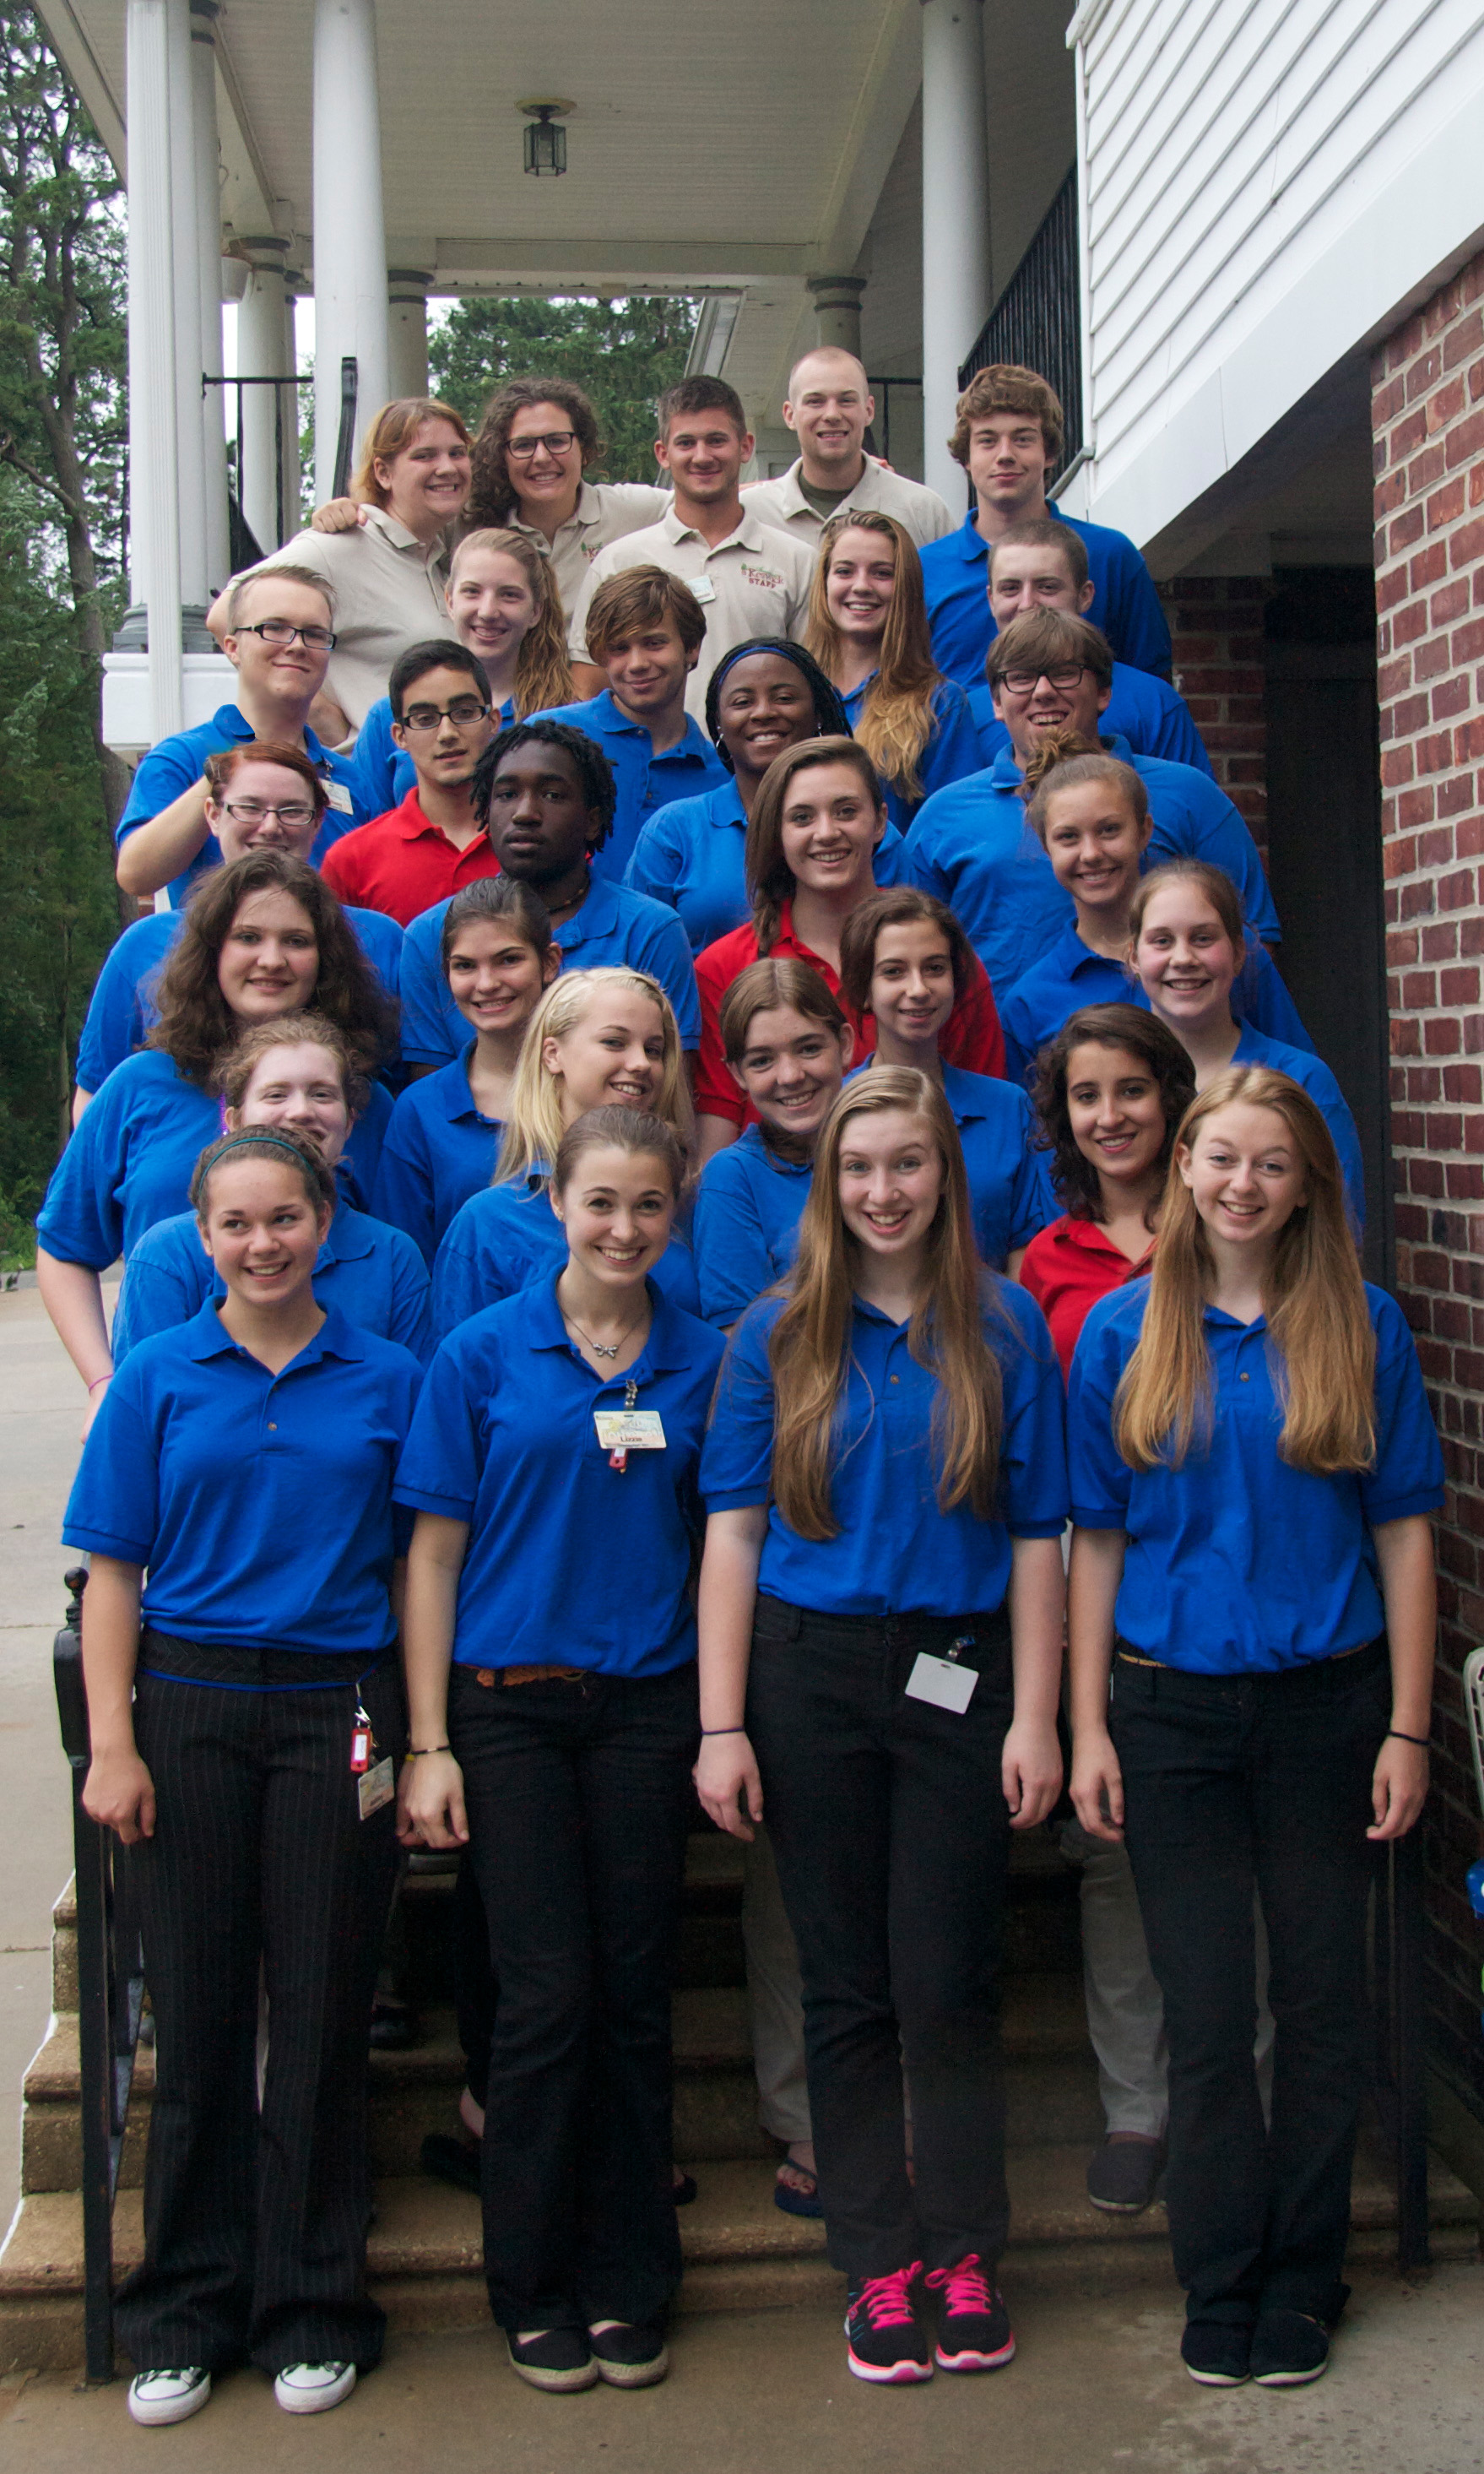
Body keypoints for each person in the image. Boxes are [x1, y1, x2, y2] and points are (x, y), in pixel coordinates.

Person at [1067, 1067, 1442, 2388]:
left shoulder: (1360, 1323)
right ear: (1182, 1164)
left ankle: (1302, 2275)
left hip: (1324, 1706)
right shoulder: (1119, 1331)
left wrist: (1407, 1727)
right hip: (1166, 1709)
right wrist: (1084, 1724)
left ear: (1302, 1186)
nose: (1242, 1183)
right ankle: (1218, 2274)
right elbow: (1094, 1540)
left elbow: (1402, 1532)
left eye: (1270, 1164)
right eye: (1221, 1157)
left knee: (1322, 2002)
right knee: (1208, 2008)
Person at [696, 1069, 1068, 2385]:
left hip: (958, 1674)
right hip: (809, 1677)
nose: (882, 1189)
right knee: (845, 1981)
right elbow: (733, 1533)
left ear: (943, 1176)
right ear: (826, 1183)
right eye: (857, 1167)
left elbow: (1038, 1535)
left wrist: (1037, 1716)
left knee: (946, 1976)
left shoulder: (1004, 1325)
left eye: (907, 1163)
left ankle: (963, 2250)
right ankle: (875, 2263)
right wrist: (720, 1723)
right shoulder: (775, 1332)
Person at [63, 1126, 423, 2427]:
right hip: (192, 1704)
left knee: (320, 2005)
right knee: (202, 2006)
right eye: (237, 1223)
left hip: (339, 1709)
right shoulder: (157, 1376)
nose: (262, 1243)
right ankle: (185, 2307)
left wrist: (422, 1739)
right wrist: (114, 1742)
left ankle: (311, 2300)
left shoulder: (389, 1376)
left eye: (285, 1218)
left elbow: (417, 1567)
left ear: (325, 1222)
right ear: (200, 1236)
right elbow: (113, 1571)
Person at [396, 1106, 724, 2393]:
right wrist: (428, 1739)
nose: (623, 1227)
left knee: (632, 1992)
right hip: (508, 1710)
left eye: (647, 1204)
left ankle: (630, 2275)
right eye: (600, 1202)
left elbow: (721, 1543)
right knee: (543, 1993)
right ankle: (530, 2281)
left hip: (643, 1708)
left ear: (675, 1210)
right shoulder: (479, 1352)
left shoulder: (702, 1359)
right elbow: (430, 1557)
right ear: (556, 1206)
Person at [1018, 1005, 1197, 2214]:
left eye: (1131, 1089)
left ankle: (1239, 2096)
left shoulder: (1229, 1217)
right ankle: (1137, 2105)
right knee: (1115, 1851)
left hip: (1217, 1572)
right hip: (1096, 1574)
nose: (1111, 1114)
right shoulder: (1046, 1262)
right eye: (1087, 1095)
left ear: (1170, 1098)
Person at [37, 850, 397, 1435]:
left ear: (324, 960)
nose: (271, 959)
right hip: (169, 1416)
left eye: (297, 941)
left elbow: (392, 1257)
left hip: (332, 1416)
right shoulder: (138, 1085)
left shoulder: (358, 1102)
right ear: (213, 952)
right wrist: (104, 1383)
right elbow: (63, 1247)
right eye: (247, 937)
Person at [904, 610, 1279, 996]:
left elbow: (1253, 938)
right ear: (996, 703)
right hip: (1007, 1031)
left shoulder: (1189, 794)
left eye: (1065, 673)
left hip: (1164, 1028)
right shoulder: (944, 815)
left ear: (1103, 693)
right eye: (1021, 678)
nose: (1043, 691)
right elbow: (908, 949)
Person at [692, 738, 1004, 1162]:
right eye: (802, 817)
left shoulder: (937, 955)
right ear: (777, 834)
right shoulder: (724, 966)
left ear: (880, 822)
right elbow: (717, 1138)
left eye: (846, 811)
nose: (827, 833)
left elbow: (987, 1118)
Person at [76, 743, 404, 1115]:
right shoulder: (144, 943)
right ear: (213, 815)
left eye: (293, 811)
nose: (271, 827)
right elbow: (95, 1095)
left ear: (317, 822)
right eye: (250, 807)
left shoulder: (378, 938)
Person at [112, 1014, 431, 1364]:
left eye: (322, 1094)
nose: (301, 1112)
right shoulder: (167, 1256)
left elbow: (412, 1392)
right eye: (276, 1094)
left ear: (350, 1121)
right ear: (234, 1121)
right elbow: (146, 1389)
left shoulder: (391, 1257)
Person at [999, 735, 1312, 1084]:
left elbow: (1299, 1081)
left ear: (1144, 831)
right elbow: (1034, 1118)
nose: (1091, 854)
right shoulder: (1031, 1001)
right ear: (1046, 846)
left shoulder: (1223, 953)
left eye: (1109, 830)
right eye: (1068, 837)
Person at [396, 721, 700, 1072]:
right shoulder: (430, 934)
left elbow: (672, 1081)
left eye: (552, 795)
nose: (525, 813)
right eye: (507, 794)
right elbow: (430, 1091)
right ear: (486, 812)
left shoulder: (650, 930)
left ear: (592, 820)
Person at [433, 968, 700, 1337]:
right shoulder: (490, 1223)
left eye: (653, 1050)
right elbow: (461, 1365)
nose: (641, 1063)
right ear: (553, 1054)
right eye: (614, 1042)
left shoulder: (688, 1205)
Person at [1128, 862, 1365, 1229]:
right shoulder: (1116, 1087)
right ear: (1134, 957)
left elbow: (1339, 1225)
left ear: (1239, 952)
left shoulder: (1303, 1079)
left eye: (1203, 938)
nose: (1183, 958)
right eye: (1162, 941)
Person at [220, 398, 474, 736]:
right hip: (368, 763)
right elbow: (224, 614)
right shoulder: (340, 546)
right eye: (425, 456)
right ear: (383, 473)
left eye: (457, 453)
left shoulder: (444, 559)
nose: (447, 467)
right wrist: (319, 713)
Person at [626, 637, 892, 953]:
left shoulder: (863, 829)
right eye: (742, 702)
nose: (763, 712)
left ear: (818, 712)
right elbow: (637, 952)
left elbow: (909, 935)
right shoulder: (673, 831)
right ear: (718, 723)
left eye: (784, 698)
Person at [115, 568, 362, 908]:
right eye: (275, 628)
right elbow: (136, 874)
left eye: (315, 634)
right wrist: (230, 770)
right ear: (232, 648)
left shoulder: (350, 778)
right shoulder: (182, 758)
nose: (297, 645)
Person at [566, 378, 813, 717]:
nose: (702, 456)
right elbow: (588, 688)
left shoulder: (798, 561)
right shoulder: (618, 562)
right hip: (649, 749)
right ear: (663, 454)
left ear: (745, 447)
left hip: (765, 747)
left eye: (716, 440)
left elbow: (817, 676)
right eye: (686, 443)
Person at [919, 364, 1173, 692]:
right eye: (987, 441)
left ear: (1049, 453)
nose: (1005, 455)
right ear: (966, 458)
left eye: (1023, 439)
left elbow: (1151, 690)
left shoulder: (1110, 556)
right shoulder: (925, 570)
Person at [839, 887, 1053, 1271]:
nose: (919, 989)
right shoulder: (835, 1110)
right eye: (894, 972)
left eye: (935, 968)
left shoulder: (1009, 1108)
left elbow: (1027, 1246)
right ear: (863, 989)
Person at [373, 880, 561, 1265]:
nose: (487, 984)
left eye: (508, 960)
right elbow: (407, 1260)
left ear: (549, 963)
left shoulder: (590, 1084)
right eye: (465, 966)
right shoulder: (420, 1109)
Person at [348, 528, 575, 816]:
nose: (488, 611)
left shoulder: (563, 716)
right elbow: (361, 827)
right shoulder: (390, 716)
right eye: (472, 592)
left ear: (536, 611)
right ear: (450, 601)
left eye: (509, 595)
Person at [533, 567, 728, 882]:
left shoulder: (720, 777)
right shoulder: (547, 738)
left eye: (654, 643)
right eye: (619, 648)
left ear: (691, 647)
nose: (637, 664)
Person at [971, 522, 1211, 774]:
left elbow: (1183, 793)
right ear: (991, 600)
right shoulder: (968, 714)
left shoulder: (1152, 702)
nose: (1027, 604)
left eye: (1047, 587)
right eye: (1010, 589)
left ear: (1085, 595)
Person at [693, 959, 854, 1329]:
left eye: (809, 1049)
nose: (790, 1076)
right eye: (762, 1060)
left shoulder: (893, 1144)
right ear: (738, 1073)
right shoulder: (733, 1178)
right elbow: (739, 1338)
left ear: (845, 1045)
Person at [804, 511, 983, 831]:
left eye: (882, 573)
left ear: (906, 587)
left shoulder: (940, 704)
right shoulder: (793, 692)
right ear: (824, 582)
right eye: (845, 571)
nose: (861, 586)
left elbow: (953, 828)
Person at [320, 642, 499, 925]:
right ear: (399, 736)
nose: (447, 733)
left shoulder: (533, 840)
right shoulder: (351, 860)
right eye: (425, 719)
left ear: (493, 722)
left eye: (464, 712)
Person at [465, 374, 670, 611]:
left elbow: (700, 507)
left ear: (584, 449)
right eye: (524, 445)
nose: (542, 457)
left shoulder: (634, 510)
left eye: (556, 441)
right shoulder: (473, 526)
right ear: (502, 458)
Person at [741, 347, 953, 551]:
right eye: (815, 402)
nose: (832, 414)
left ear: (869, 410)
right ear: (790, 415)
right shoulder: (749, 514)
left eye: (846, 400)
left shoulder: (923, 512)